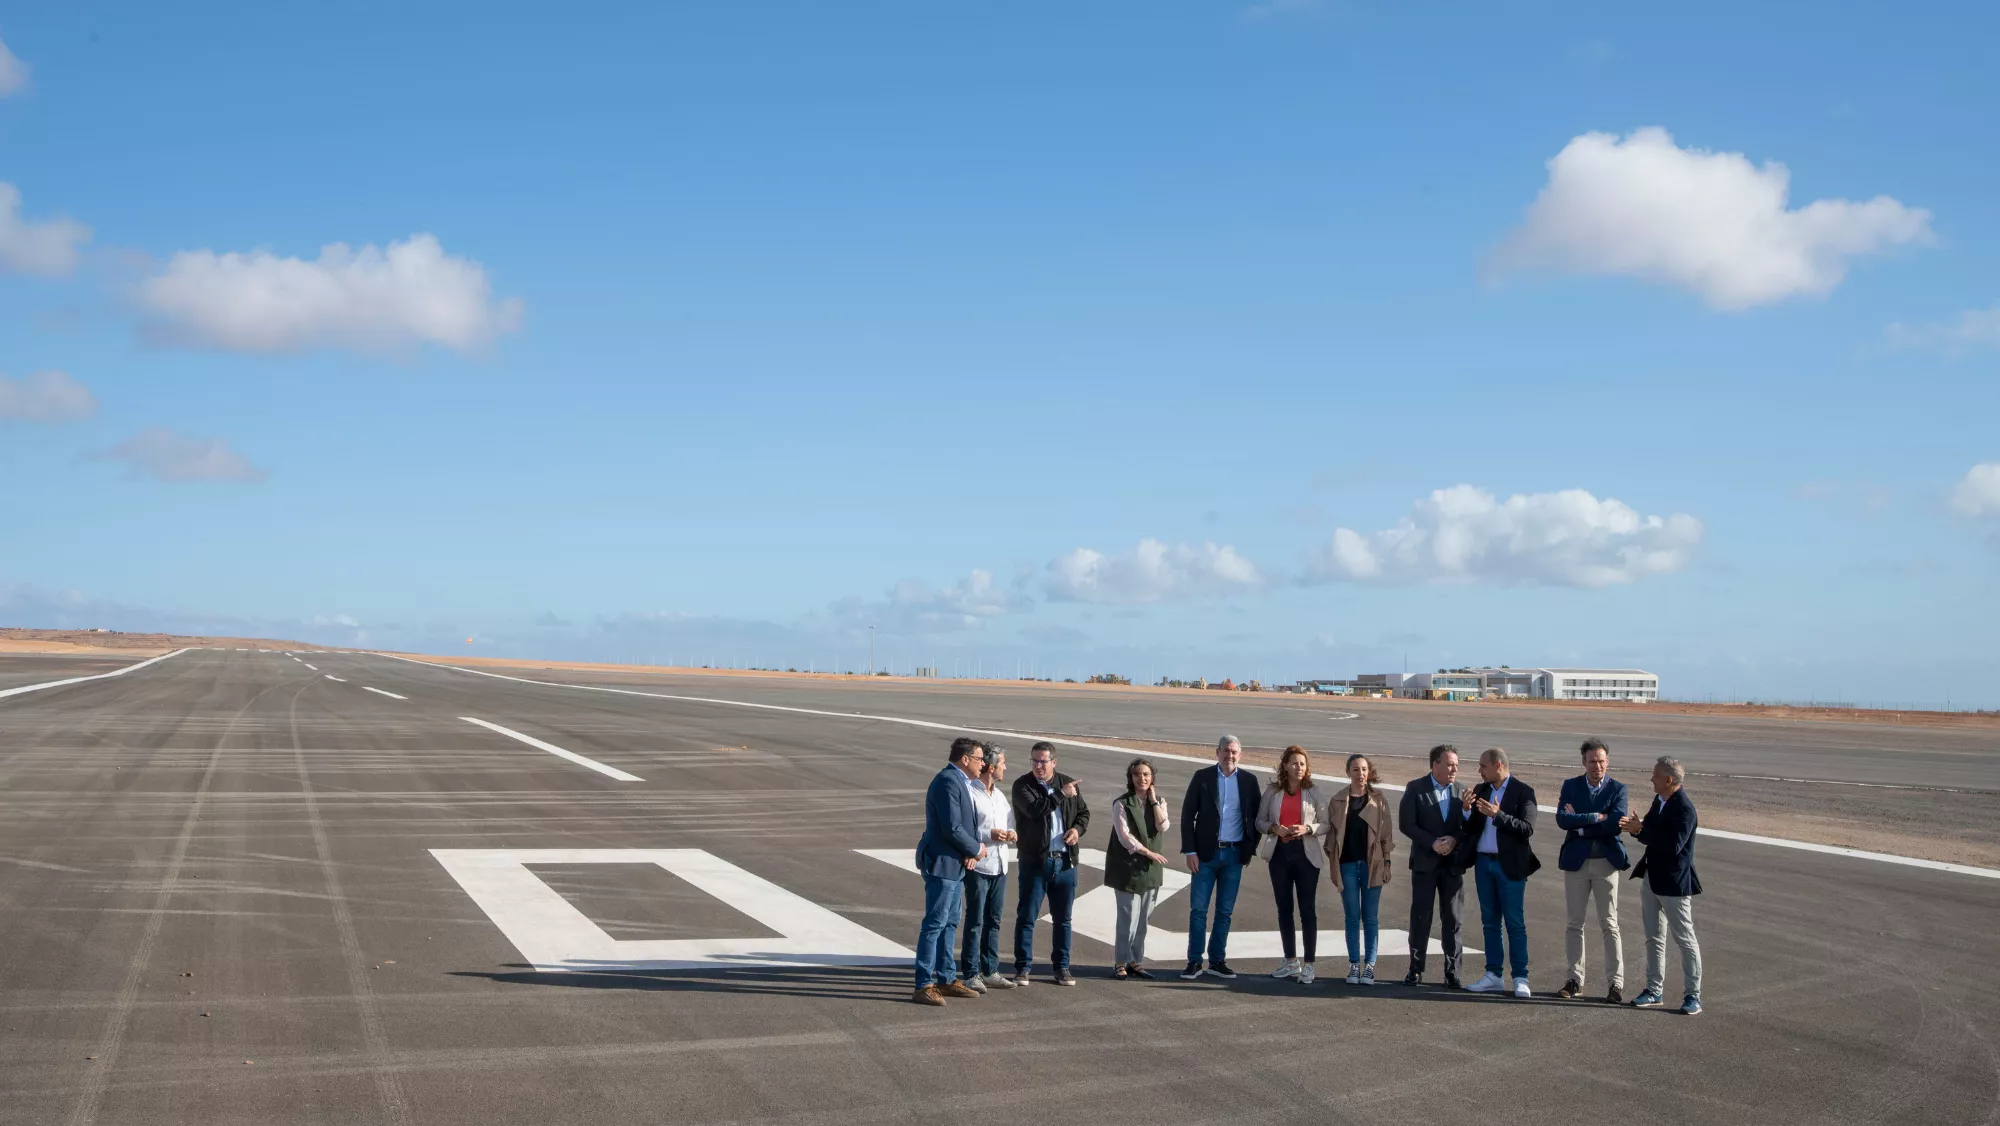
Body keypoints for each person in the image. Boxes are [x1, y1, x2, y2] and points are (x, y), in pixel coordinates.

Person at [1620, 755, 1703, 1016]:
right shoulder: (1660, 801)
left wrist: (1642, 831)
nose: (1651, 780)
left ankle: (1693, 995)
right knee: (1654, 937)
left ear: (1669, 779)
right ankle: (1654, 990)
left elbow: (1673, 845)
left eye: (1655, 776)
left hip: (1674, 885)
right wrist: (1636, 828)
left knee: (1684, 940)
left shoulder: (1684, 809)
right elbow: (1649, 828)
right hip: (1652, 879)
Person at [1457, 747, 1539, 997]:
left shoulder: (1523, 792)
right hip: (1484, 864)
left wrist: (1498, 815)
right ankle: (1493, 974)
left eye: (1483, 766)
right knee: (1489, 922)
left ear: (1498, 765)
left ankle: (1520, 977)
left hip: (1510, 866)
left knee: (1515, 923)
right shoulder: (1481, 790)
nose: (1479, 771)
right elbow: (1471, 829)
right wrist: (1466, 810)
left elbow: (1527, 828)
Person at [1179, 735, 1262, 980]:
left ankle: (1217, 961)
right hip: (1205, 855)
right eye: (1225, 751)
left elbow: (1255, 819)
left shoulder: (1249, 781)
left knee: (1225, 911)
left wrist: (1249, 850)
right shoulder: (1202, 777)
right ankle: (1194, 961)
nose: (1230, 755)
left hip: (1234, 855)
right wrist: (1190, 851)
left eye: (1234, 751)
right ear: (1217, 753)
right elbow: (1187, 815)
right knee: (1198, 910)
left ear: (1240, 754)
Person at [912, 737, 988, 1006]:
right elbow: (952, 827)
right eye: (979, 758)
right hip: (942, 863)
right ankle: (924, 983)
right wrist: (976, 849)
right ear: (965, 759)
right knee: (934, 924)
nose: (983, 763)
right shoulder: (947, 781)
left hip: (955, 862)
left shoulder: (961, 782)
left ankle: (945, 977)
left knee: (950, 923)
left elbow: (963, 826)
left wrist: (968, 851)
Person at [1010, 741, 1090, 986]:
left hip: (1064, 862)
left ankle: (1062, 967)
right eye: (1034, 760)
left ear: (1054, 762)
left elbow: (1083, 813)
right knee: (1027, 917)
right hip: (1035, 862)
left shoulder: (1066, 783)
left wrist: (1076, 830)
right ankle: (1023, 968)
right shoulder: (1023, 785)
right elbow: (1035, 810)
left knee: (1063, 919)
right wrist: (1060, 794)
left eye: (1043, 761)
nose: (1038, 766)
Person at [1555, 737, 1629, 1002]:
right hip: (1576, 864)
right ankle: (1574, 980)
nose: (1597, 766)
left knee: (1609, 924)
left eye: (1601, 761)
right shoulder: (1571, 786)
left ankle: (1615, 984)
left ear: (1607, 761)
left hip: (1606, 864)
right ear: (1583, 762)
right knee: (1575, 923)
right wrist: (1593, 817)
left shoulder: (1619, 789)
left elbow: (1616, 824)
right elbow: (1562, 819)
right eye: (1592, 761)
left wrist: (1581, 824)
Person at [1255, 746, 1329, 983]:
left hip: (1306, 854)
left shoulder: (1314, 791)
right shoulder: (1273, 791)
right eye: (1295, 763)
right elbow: (1259, 820)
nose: (1299, 768)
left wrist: (1307, 828)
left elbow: (1326, 823)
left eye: (1303, 764)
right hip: (1279, 853)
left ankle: (1309, 964)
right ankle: (1290, 961)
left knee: (1307, 910)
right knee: (1284, 909)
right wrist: (1274, 828)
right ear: (1285, 765)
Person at [1398, 744, 1468, 987]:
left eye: (1456, 765)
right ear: (1434, 764)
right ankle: (1415, 968)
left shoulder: (1462, 791)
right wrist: (1432, 843)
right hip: (1425, 864)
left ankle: (1453, 972)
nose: (1454, 769)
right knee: (1421, 917)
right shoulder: (1416, 788)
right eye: (1449, 764)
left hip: (1452, 866)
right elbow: (1407, 824)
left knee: (1453, 919)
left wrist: (1454, 839)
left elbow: (1467, 827)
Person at [1326, 752, 1395, 985]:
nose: (1361, 773)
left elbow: (1386, 836)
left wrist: (1387, 863)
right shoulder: (1337, 801)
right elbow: (1331, 842)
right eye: (1356, 769)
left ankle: (1370, 967)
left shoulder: (1379, 799)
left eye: (1364, 769)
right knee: (1352, 917)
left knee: (1371, 917)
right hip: (1346, 865)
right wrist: (1334, 871)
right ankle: (1354, 965)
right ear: (1348, 772)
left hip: (1372, 865)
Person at [1104, 757, 1173, 980]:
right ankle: (1120, 962)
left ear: (1152, 778)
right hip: (1128, 868)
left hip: (1151, 870)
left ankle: (1136, 961)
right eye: (1137, 775)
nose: (1141, 778)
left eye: (1146, 774)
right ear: (1130, 778)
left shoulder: (1159, 801)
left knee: (1143, 920)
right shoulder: (1122, 803)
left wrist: (1153, 801)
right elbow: (1125, 837)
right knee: (1127, 919)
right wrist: (1148, 852)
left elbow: (1163, 826)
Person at [959, 746, 1019, 993]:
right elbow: (964, 830)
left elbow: (1011, 823)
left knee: (994, 921)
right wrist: (989, 834)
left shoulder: (1000, 796)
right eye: (1003, 763)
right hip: (979, 866)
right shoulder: (970, 794)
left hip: (1000, 865)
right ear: (991, 767)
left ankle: (990, 970)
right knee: (975, 921)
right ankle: (971, 973)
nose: (1006, 767)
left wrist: (1012, 833)